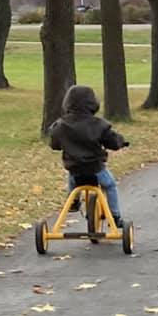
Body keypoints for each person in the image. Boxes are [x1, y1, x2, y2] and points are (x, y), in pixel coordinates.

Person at [49, 85, 129, 226]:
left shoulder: (60, 125)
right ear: (93, 103)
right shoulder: (99, 125)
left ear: (67, 103)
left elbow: (54, 143)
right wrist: (121, 142)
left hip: (74, 168)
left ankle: (73, 201)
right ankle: (115, 216)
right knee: (110, 185)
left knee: (73, 179)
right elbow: (112, 141)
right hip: (96, 168)